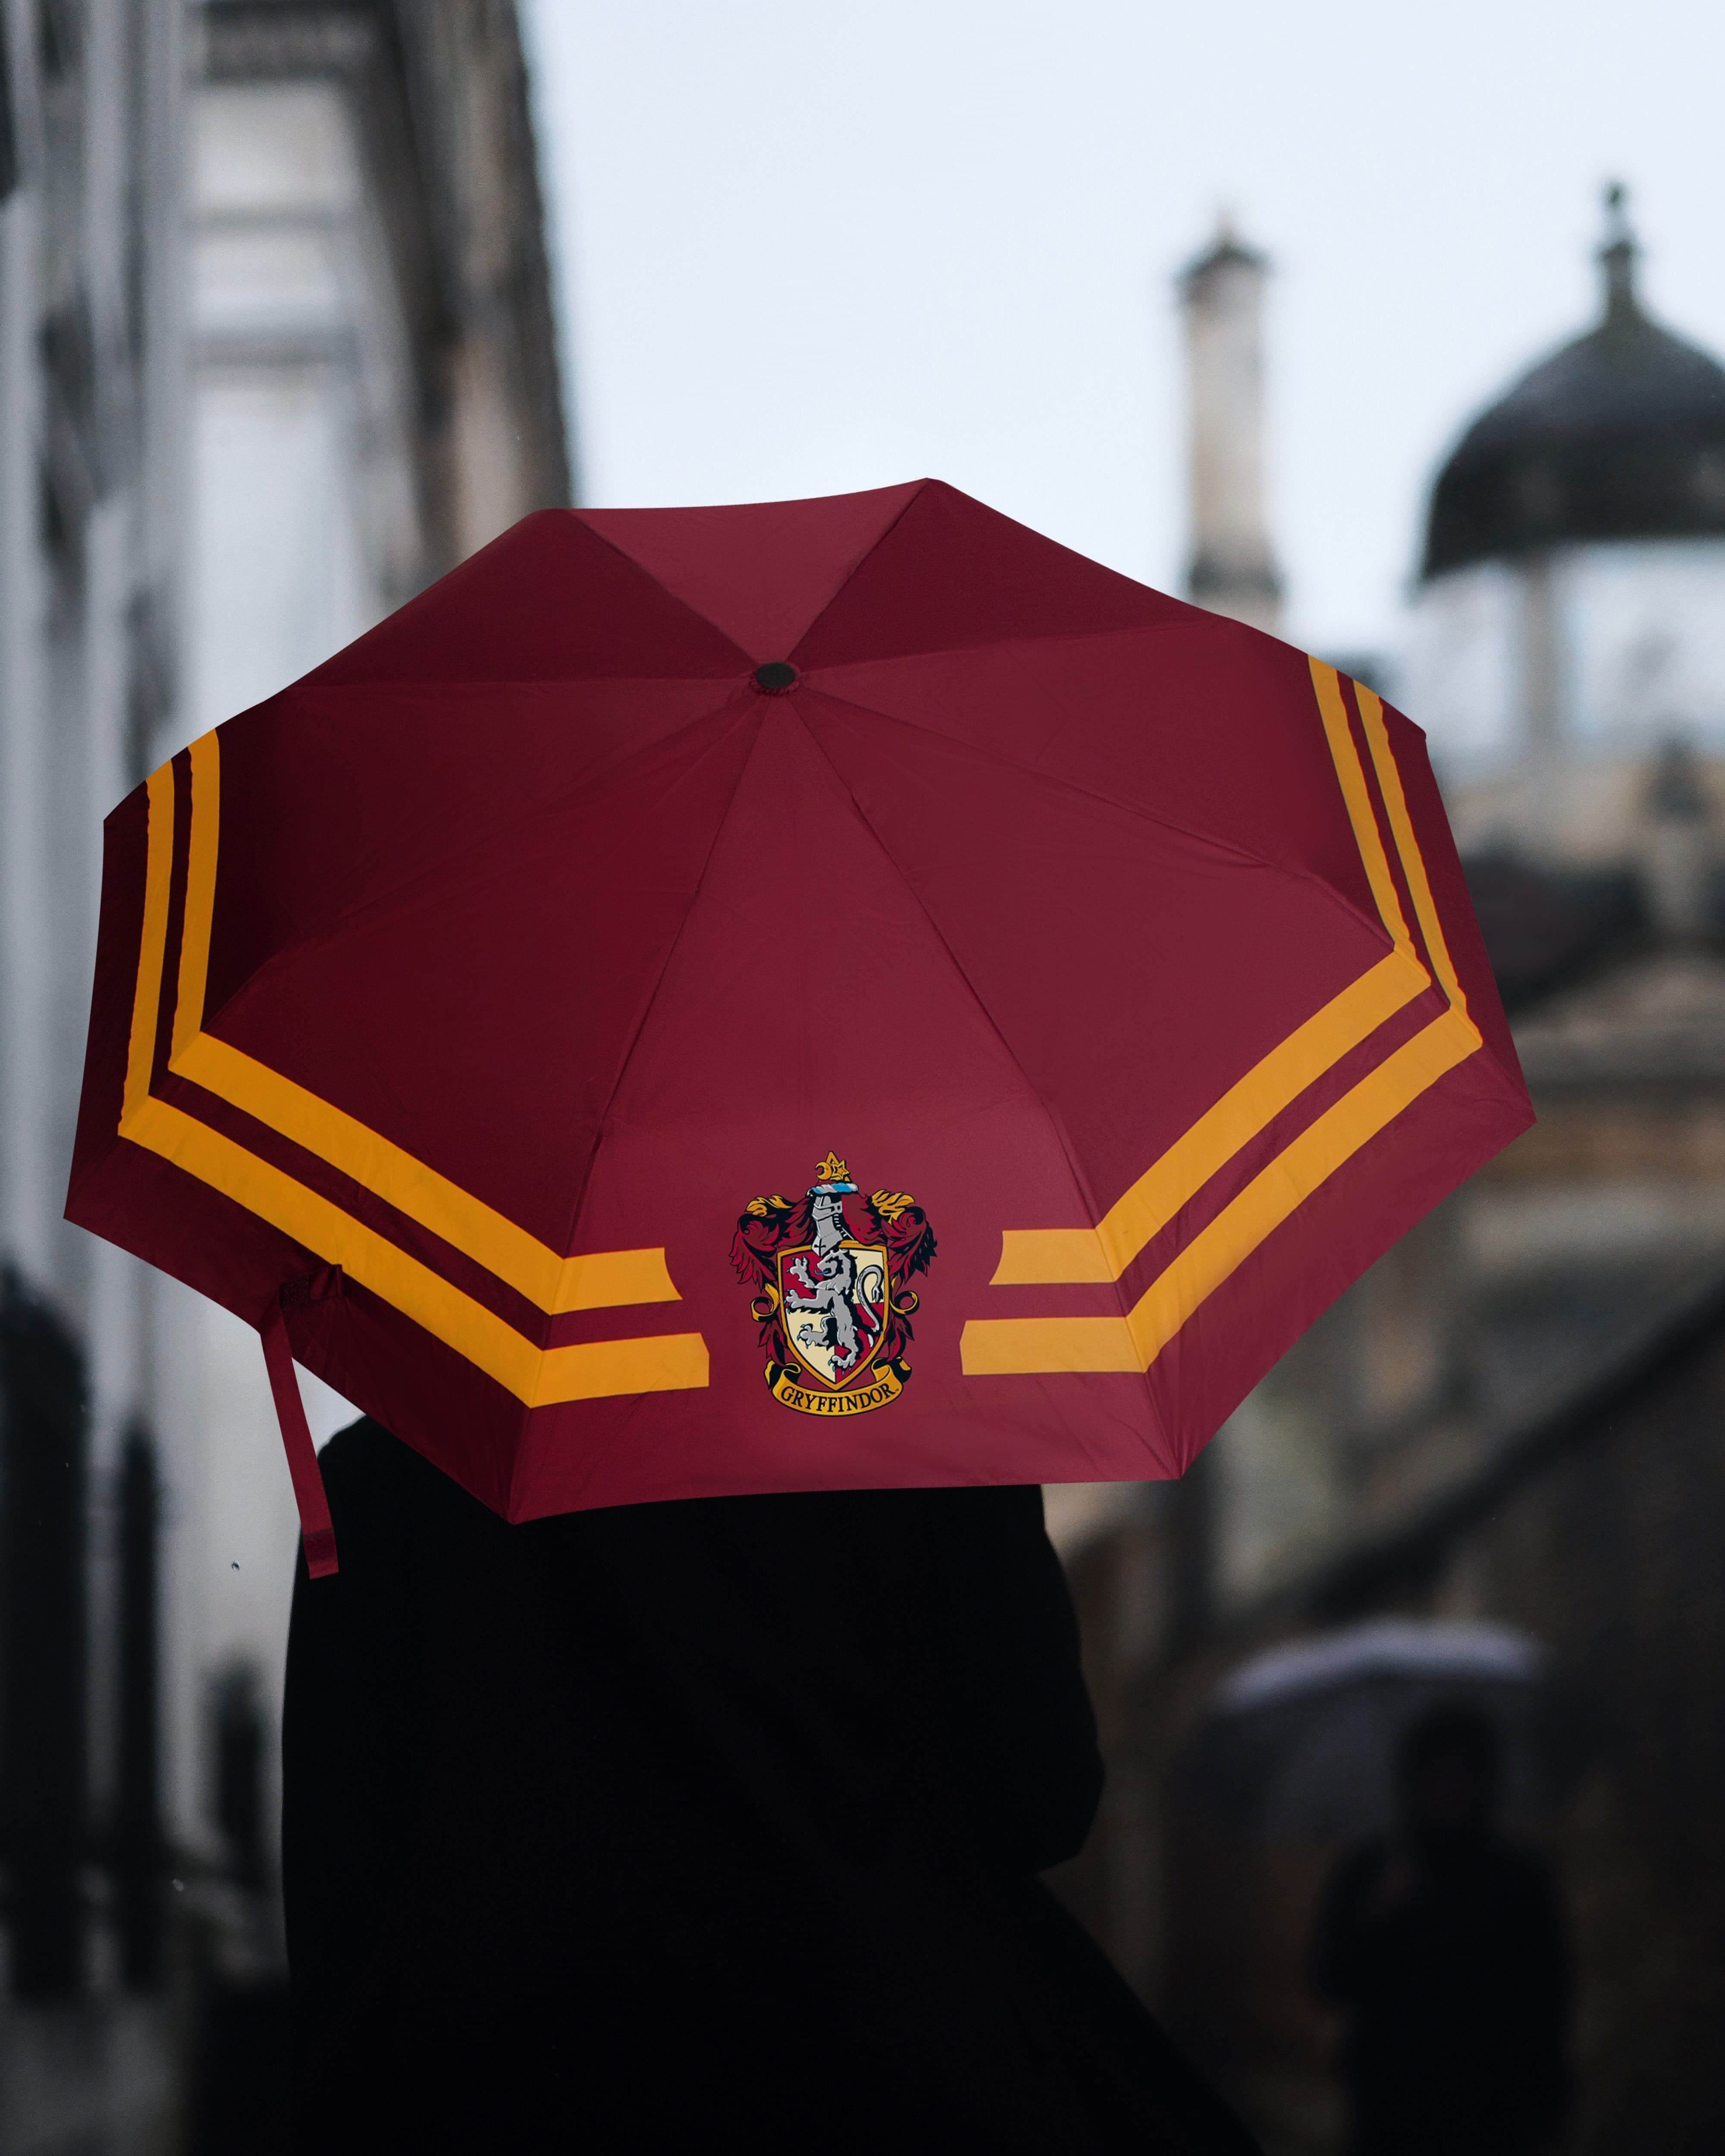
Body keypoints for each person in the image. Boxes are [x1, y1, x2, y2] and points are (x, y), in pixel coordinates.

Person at [283, 1418, 1260, 2153]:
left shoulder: (374, 1479)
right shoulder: (925, 1455)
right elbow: (1044, 1799)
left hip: (497, 2090)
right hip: (869, 2077)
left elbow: (336, 1892)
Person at [1312, 1701, 1570, 2156]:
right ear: (1411, 1779)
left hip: (1494, 2109)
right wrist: (1377, 1915)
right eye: (1435, 1773)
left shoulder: (1518, 1876)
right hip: (1392, 2106)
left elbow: (1547, 1995)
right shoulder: (1374, 1867)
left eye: (1462, 1774)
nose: (1448, 1789)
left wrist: (1547, 2105)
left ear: (1485, 1780)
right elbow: (1330, 1979)